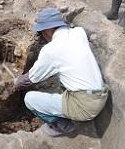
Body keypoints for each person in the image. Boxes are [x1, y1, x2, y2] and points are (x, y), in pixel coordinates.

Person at [14, 8, 108, 136]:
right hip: (101, 94)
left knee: (29, 99)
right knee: (61, 74)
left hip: (86, 107)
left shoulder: (51, 50)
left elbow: (31, 78)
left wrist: (17, 82)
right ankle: (66, 106)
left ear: (47, 30)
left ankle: (62, 125)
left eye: (41, 32)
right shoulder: (78, 32)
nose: (42, 36)